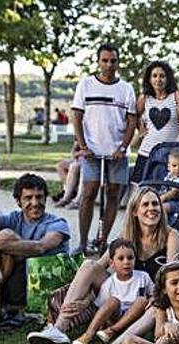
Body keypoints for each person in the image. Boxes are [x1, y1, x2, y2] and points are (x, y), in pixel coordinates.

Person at [27, 187, 178, 344]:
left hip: (147, 298)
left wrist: (157, 296)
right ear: (134, 211)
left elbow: (172, 275)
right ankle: (59, 328)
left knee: (154, 304)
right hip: (119, 296)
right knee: (88, 265)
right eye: (145, 205)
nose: (151, 208)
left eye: (155, 204)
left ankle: (115, 342)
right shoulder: (128, 234)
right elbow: (99, 266)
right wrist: (86, 299)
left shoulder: (170, 235)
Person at [72, 42, 138, 255]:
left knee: (112, 194)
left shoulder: (126, 89)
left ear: (118, 63)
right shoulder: (86, 85)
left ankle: (102, 239)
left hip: (116, 152)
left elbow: (131, 120)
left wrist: (124, 146)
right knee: (89, 193)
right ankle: (82, 243)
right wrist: (82, 145)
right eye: (105, 60)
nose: (109, 65)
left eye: (113, 61)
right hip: (92, 150)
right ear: (98, 62)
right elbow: (77, 116)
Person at [0, 174, 70, 312]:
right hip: (16, 280)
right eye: (28, 198)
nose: (35, 203)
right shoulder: (14, 218)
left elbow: (40, 247)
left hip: (42, 283)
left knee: (6, 236)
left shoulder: (57, 224)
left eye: (39, 197)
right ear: (18, 201)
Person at [70, 239, 153, 344]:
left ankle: (112, 331)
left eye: (130, 258)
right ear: (111, 263)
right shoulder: (109, 283)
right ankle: (88, 335)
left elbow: (154, 293)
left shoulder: (143, 277)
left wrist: (152, 298)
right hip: (115, 317)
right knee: (113, 300)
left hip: (135, 319)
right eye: (121, 258)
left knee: (142, 300)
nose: (126, 262)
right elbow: (100, 306)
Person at [133, 60, 179, 184]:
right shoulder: (144, 97)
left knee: (164, 191)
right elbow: (134, 115)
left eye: (162, 76)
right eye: (154, 76)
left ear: (168, 78)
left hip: (169, 154)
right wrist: (141, 129)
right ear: (149, 79)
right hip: (146, 152)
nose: (158, 79)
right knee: (140, 191)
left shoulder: (177, 96)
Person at [159, 149, 179, 223]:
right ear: (168, 167)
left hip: (177, 204)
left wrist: (161, 198)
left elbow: (174, 192)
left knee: (163, 208)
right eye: (174, 166)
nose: (177, 169)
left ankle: (164, 227)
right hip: (163, 200)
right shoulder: (167, 177)